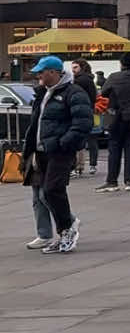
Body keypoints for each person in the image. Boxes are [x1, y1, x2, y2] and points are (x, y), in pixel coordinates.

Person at [21, 57, 91, 253]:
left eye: (41, 72)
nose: (38, 75)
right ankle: (54, 232)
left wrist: (64, 143)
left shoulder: (73, 92)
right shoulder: (43, 92)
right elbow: (36, 122)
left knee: (52, 190)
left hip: (59, 151)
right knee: (40, 193)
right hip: (40, 150)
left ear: (53, 72)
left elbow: (83, 123)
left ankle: (67, 229)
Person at [96, 53, 130, 192]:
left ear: (122, 64)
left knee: (114, 148)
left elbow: (104, 93)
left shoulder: (114, 77)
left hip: (117, 116)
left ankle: (112, 181)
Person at [70, 60, 99, 176]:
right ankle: (92, 165)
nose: (73, 70)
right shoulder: (90, 79)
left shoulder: (79, 81)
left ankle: (76, 166)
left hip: (79, 112)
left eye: (75, 67)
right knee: (92, 140)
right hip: (90, 112)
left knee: (77, 140)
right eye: (72, 67)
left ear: (82, 67)